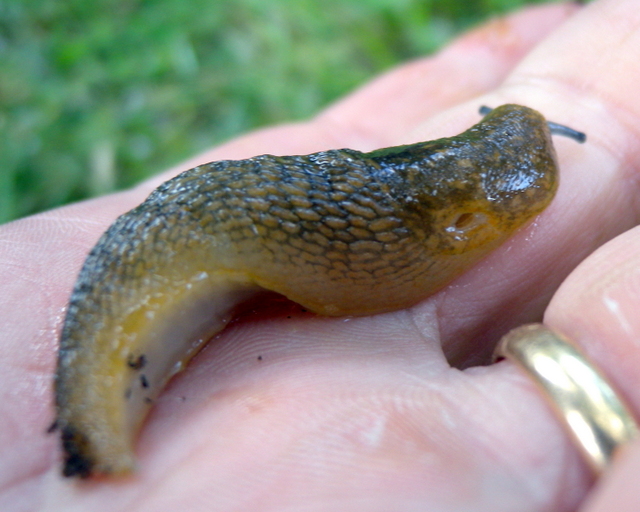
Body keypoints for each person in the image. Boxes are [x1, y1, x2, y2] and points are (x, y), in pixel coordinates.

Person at [1, 0, 639, 510]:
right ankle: (95, 421)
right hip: (218, 220)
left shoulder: (440, 211)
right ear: (464, 221)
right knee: (195, 221)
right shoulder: (425, 210)